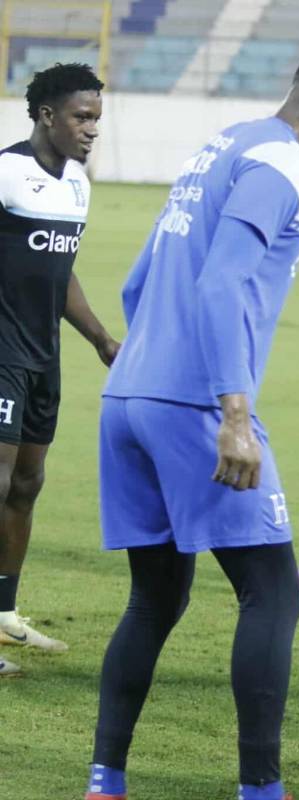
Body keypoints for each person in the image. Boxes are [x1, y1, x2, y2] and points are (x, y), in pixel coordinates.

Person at [86, 43, 299, 800]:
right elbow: (220, 282)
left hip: (131, 395)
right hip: (194, 405)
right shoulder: (279, 164)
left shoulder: (220, 146)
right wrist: (233, 412)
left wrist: (150, 366)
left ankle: (105, 781)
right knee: (274, 593)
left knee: (156, 597)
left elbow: (139, 277)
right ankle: (261, 791)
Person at [0, 63, 118, 678]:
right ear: (47, 116)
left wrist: (100, 338)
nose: (92, 129)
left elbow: (58, 269)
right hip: (0, 354)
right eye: (81, 116)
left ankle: (4, 614)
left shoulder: (76, 183)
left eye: (97, 117)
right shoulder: (6, 170)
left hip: (43, 357)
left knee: (26, 486)